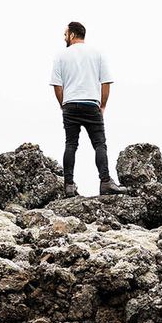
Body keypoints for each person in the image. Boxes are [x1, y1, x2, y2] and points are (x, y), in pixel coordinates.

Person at [50, 22, 127, 197]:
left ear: (71, 34)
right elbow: (106, 82)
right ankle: (105, 182)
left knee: (71, 144)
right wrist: (103, 105)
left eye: (65, 34)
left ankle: (68, 186)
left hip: (70, 105)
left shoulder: (61, 56)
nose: (64, 38)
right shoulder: (97, 54)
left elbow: (57, 85)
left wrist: (63, 105)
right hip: (91, 105)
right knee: (99, 144)